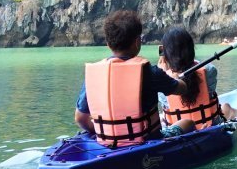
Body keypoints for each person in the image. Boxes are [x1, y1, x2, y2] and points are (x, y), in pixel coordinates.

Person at [75, 10, 195, 147]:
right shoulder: (150, 72)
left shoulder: (95, 74)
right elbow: (183, 89)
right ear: (137, 42)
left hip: (108, 143)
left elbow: (81, 118)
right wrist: (166, 73)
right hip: (149, 141)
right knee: (188, 122)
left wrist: (105, 134)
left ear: (108, 44)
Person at [157, 27, 237, 128]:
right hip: (209, 127)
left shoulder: (160, 81)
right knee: (226, 107)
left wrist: (163, 72)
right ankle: (234, 112)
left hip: (178, 132)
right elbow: (195, 69)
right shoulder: (210, 71)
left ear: (166, 55)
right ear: (191, 50)